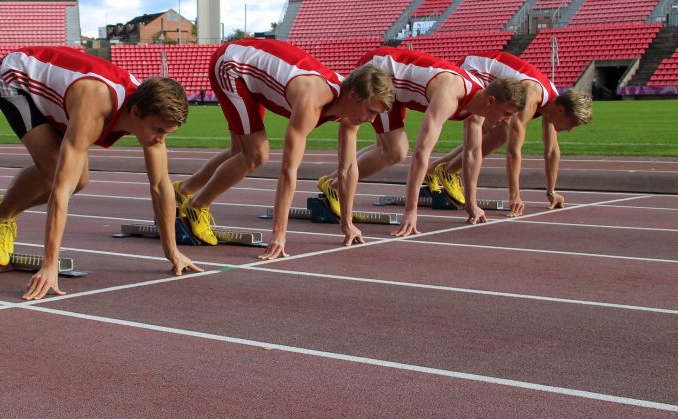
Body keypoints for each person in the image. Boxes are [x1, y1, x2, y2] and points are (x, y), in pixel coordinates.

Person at [0, 46, 201, 300]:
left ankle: (5, 206)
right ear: (135, 113)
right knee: (57, 174)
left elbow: (161, 185)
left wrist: (172, 251)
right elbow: (60, 190)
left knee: (81, 180)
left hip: (62, 96)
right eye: (157, 130)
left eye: (166, 133)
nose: (160, 139)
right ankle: (0, 216)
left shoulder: (149, 109)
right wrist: (50, 264)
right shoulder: (95, 103)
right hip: (16, 78)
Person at [173, 38, 395, 257]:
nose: (372, 119)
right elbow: (289, 170)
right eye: (371, 111)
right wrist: (279, 234)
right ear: (354, 95)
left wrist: (347, 224)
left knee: (239, 153)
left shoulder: (349, 107)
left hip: (253, 72)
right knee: (256, 155)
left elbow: (347, 170)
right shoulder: (311, 101)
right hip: (231, 66)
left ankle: (183, 190)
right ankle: (197, 207)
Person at [316, 47, 527, 235]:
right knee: (395, 151)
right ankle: (335, 185)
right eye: (506, 113)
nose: (507, 120)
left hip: (400, 87)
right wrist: (410, 211)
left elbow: (472, 153)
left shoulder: (478, 105)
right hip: (382, 70)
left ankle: (333, 183)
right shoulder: (449, 94)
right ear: (491, 101)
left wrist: (471, 204)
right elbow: (421, 153)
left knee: (394, 149)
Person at [424, 51, 593, 216]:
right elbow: (513, 151)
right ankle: (448, 171)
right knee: (499, 134)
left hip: (491, 74)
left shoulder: (552, 104)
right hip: (476, 69)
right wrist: (514, 197)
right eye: (572, 123)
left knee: (492, 134)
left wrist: (551, 192)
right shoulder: (531, 97)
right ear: (561, 110)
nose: (570, 130)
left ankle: (434, 170)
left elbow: (552, 151)